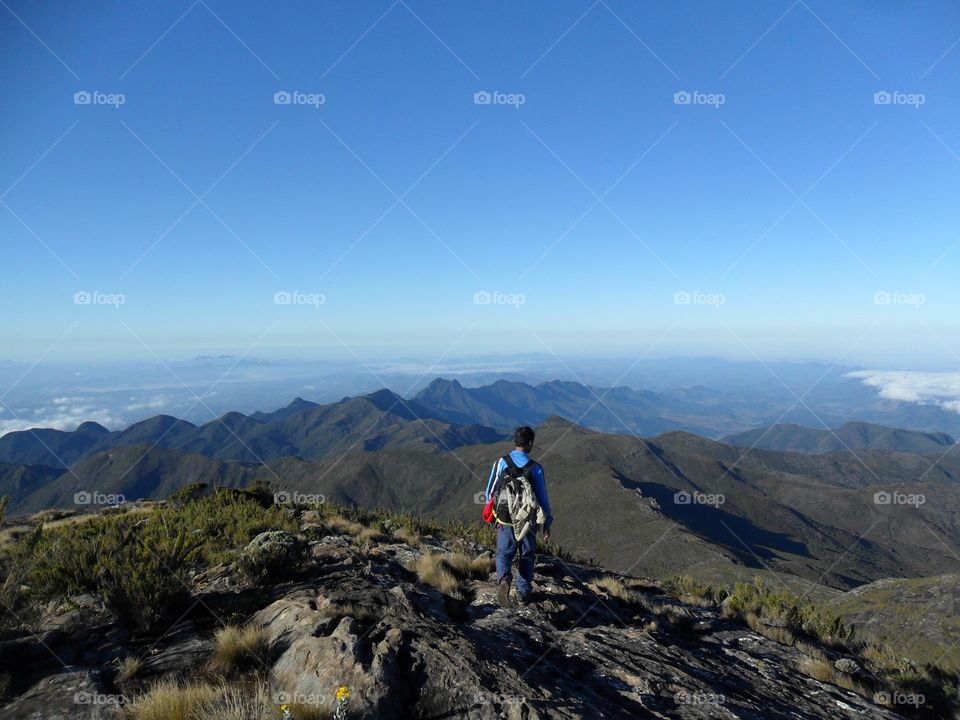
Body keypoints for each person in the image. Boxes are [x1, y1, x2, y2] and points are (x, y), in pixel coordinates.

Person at [484, 426, 553, 607]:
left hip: (505, 517)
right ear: (529, 443)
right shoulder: (536, 469)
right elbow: (543, 499)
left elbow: (489, 491)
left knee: (503, 554)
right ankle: (523, 593)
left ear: (515, 441)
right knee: (527, 555)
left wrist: (492, 509)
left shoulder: (501, 462)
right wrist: (547, 522)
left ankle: (504, 579)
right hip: (527, 521)